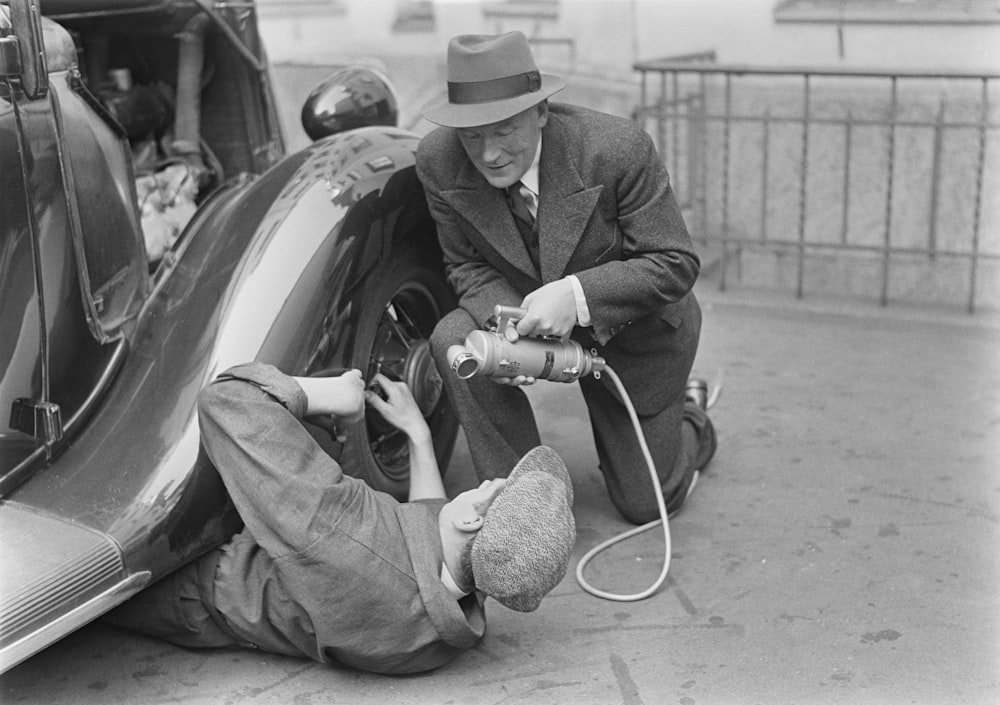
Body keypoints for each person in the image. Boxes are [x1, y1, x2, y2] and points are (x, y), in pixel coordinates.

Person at [417, 31, 718, 526]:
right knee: (455, 338)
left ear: (541, 112)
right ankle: (526, 508)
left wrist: (574, 295)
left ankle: (691, 415)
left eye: (504, 130)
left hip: (634, 333)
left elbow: (674, 262)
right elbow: (466, 265)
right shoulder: (437, 159)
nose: (488, 153)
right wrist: (505, 330)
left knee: (647, 504)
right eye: (472, 135)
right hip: (529, 319)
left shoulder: (617, 148)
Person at [106, 362, 575, 674]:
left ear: (474, 519)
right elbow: (427, 531)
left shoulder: (349, 534)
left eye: (498, 489)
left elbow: (225, 401)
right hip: (288, 583)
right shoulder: (457, 603)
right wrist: (417, 434)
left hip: (185, 582)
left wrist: (329, 394)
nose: (491, 482)